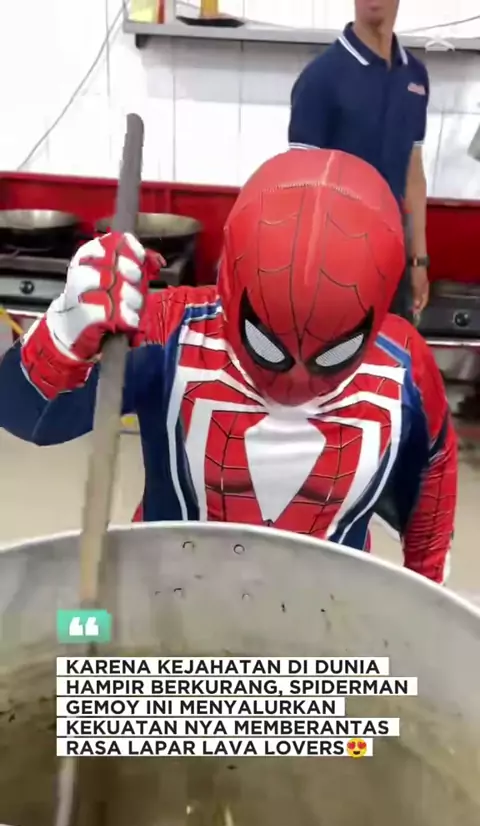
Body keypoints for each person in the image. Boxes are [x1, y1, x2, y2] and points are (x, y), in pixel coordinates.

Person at [0, 148, 456, 583]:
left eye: (333, 356)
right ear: (228, 286)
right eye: (267, 347)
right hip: (166, 595)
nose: (296, 380)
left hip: (323, 610)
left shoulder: (403, 367)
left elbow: (433, 472)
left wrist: (425, 586)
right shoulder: (170, 331)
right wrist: (64, 332)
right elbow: (27, 415)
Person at [288, 0, 430, 323]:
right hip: (333, 269)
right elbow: (299, 191)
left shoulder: (415, 76)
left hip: (392, 263)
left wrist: (418, 261)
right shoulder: (320, 78)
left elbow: (413, 173)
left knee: (391, 353)